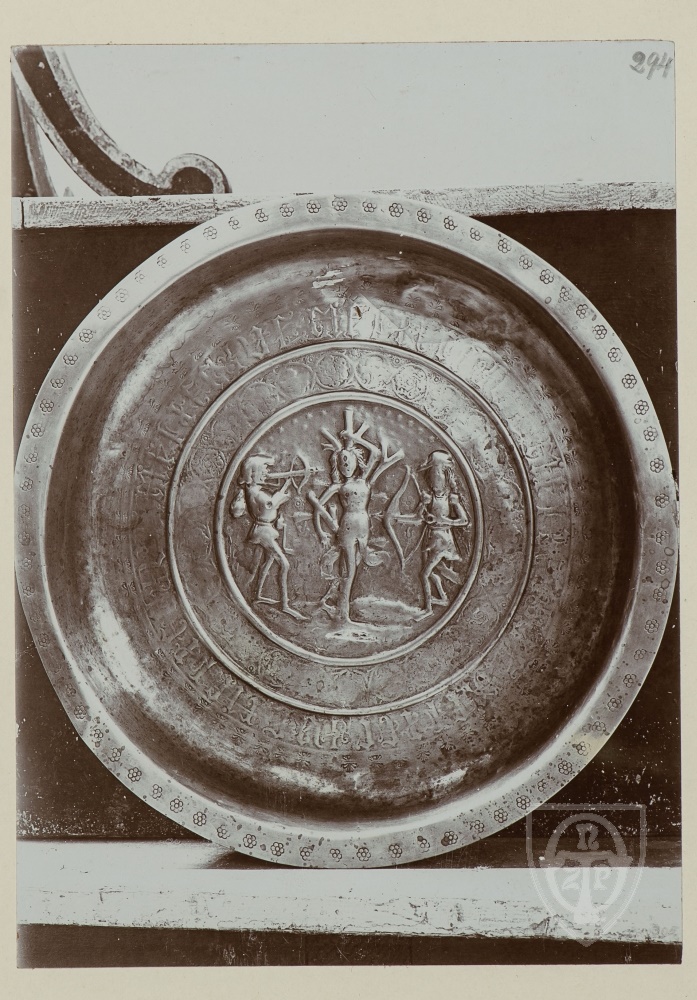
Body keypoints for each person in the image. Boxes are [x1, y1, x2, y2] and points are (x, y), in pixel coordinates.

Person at [231, 454, 304, 619]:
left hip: (267, 528)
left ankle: (257, 595)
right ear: (252, 473)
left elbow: (271, 504)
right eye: (263, 471)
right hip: (263, 531)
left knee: (267, 563)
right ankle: (284, 605)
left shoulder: (254, 491)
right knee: (284, 565)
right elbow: (270, 504)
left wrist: (285, 486)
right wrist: (281, 496)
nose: (266, 474)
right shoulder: (255, 492)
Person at [417, 451, 470, 617]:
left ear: (446, 477)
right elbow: (420, 517)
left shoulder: (451, 499)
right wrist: (423, 510)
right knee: (432, 572)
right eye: (432, 475)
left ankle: (428, 609)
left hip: (443, 541)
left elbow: (464, 520)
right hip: (430, 538)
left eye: (438, 475)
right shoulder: (429, 497)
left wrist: (445, 520)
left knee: (424, 574)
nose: (434, 479)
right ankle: (443, 598)